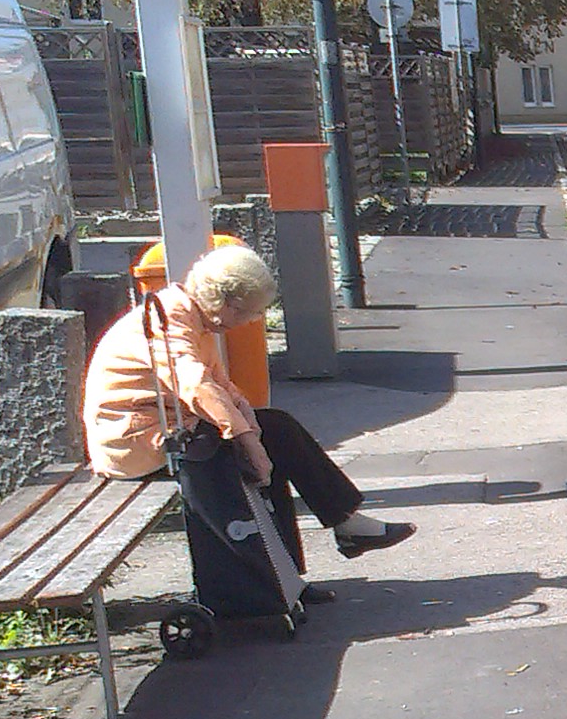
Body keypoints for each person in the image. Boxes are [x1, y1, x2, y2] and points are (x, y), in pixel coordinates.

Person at [86, 243, 412, 599]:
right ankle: (292, 570)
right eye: (249, 312)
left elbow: (220, 384)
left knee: (275, 430)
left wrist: (250, 427)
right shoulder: (169, 321)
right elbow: (194, 383)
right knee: (260, 448)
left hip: (163, 428)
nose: (252, 321)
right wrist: (245, 438)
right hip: (136, 443)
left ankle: (292, 573)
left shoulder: (189, 316)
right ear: (225, 303)